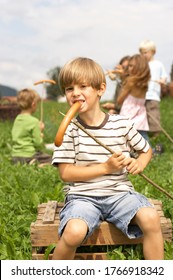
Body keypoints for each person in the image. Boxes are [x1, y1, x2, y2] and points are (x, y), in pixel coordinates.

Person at [52, 57, 164, 260]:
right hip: (83, 197)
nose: (75, 93)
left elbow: (146, 150)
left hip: (119, 194)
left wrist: (139, 163)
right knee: (74, 231)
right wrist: (105, 167)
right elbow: (66, 173)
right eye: (69, 89)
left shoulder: (122, 124)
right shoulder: (70, 129)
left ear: (100, 89)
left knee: (151, 218)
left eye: (83, 86)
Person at [11, 88, 52, 164]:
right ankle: (34, 163)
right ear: (33, 104)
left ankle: (25, 162)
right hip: (29, 155)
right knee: (52, 160)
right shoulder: (34, 121)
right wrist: (40, 133)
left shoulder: (17, 119)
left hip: (15, 156)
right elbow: (38, 143)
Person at [116, 54, 151, 141]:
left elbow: (119, 100)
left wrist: (123, 79)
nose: (129, 68)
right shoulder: (145, 83)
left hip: (129, 115)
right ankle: (153, 150)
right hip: (141, 115)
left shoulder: (130, 81)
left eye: (131, 66)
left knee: (126, 140)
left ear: (139, 67)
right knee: (143, 139)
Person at [139, 39, 168, 138]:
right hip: (142, 94)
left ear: (153, 52)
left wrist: (162, 80)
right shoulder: (142, 65)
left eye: (145, 52)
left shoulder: (158, 64)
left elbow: (164, 76)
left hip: (153, 95)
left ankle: (156, 134)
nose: (143, 55)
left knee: (153, 114)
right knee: (143, 114)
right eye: (141, 53)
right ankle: (143, 132)